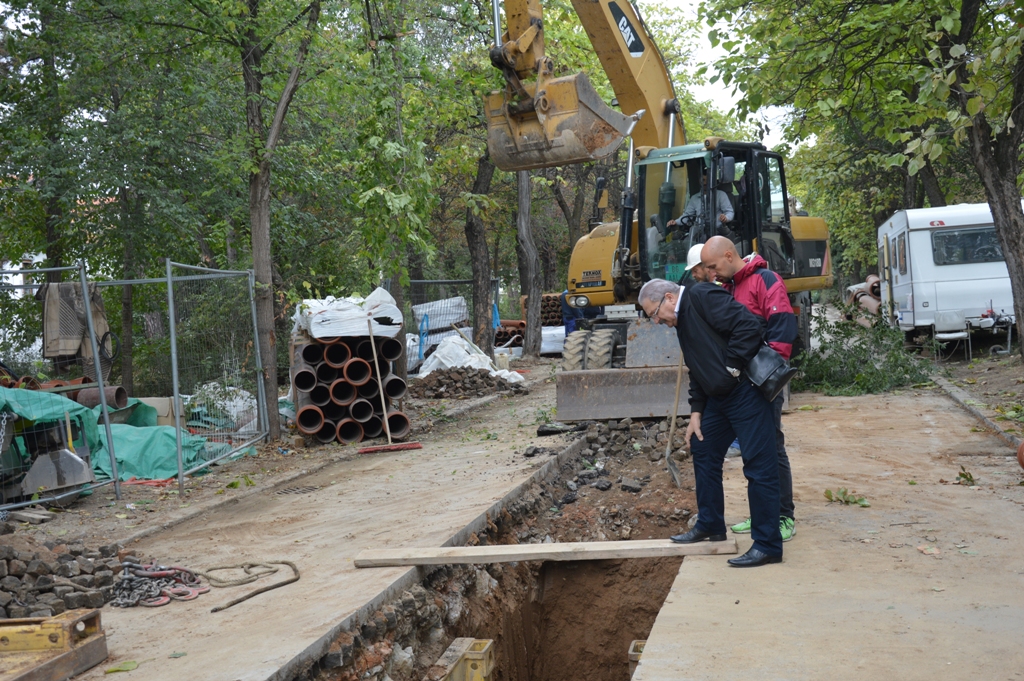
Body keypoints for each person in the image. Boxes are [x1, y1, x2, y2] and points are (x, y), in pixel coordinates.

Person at [638, 277, 783, 567]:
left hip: (746, 393)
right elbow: (697, 367)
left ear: (668, 297)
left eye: (654, 313)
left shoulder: (701, 296)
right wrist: (696, 412)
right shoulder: (681, 322)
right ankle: (711, 524)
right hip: (719, 399)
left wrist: (731, 366)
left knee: (758, 465)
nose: (656, 321)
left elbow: (749, 326)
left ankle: (767, 545)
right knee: (703, 448)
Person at [701, 235, 798, 542]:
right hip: (739, 386)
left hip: (761, 383)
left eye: (714, 266)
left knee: (772, 446)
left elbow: (782, 327)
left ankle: (783, 516)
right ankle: (762, 513)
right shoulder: (727, 288)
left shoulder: (765, 280)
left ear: (729, 256)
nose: (712, 274)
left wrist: (767, 376)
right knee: (754, 451)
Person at [667, 171, 734, 231]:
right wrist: (675, 222)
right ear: (699, 181)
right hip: (699, 232)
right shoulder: (694, 198)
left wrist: (725, 218)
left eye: (708, 180)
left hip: (717, 231)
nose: (705, 183)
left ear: (712, 181)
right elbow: (687, 215)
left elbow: (729, 212)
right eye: (703, 180)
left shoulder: (721, 195)